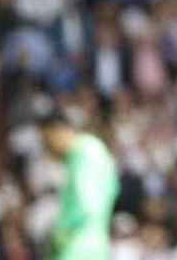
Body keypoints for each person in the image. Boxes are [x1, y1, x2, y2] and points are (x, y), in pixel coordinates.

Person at [39, 107, 120, 260]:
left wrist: (61, 233)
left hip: (79, 247)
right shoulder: (91, 150)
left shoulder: (83, 153)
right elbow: (114, 189)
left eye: (46, 140)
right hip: (97, 244)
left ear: (58, 131)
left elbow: (85, 203)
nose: (47, 148)